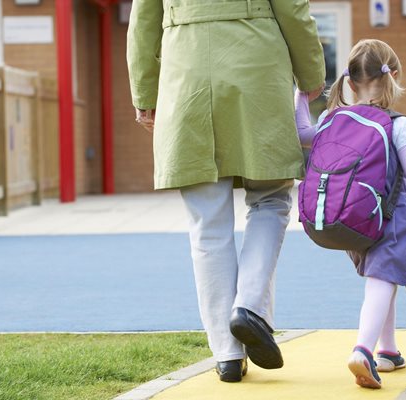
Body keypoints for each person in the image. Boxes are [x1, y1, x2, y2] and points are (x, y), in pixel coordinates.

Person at [127, 0, 325, 382]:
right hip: (256, 67)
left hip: (186, 72)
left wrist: (144, 92)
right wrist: (311, 71)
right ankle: (249, 306)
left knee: (207, 220)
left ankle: (228, 354)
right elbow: (293, 9)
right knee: (270, 198)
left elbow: (142, 22)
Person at [295, 39, 406, 389]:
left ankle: (388, 351)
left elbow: (302, 134)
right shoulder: (398, 124)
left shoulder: (331, 117)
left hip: (355, 217)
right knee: (384, 279)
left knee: (383, 278)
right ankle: (363, 349)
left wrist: (301, 98)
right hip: (393, 217)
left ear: (349, 82)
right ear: (393, 76)